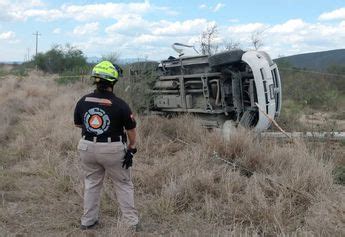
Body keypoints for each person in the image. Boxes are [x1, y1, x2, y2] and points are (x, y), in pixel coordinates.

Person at [74, 61, 139, 230]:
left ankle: (88, 221)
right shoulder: (120, 104)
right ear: (113, 81)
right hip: (112, 149)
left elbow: (79, 125)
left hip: (87, 147)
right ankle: (131, 223)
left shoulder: (83, 101)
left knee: (92, 184)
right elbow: (131, 130)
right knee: (123, 184)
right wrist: (131, 148)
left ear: (95, 80)